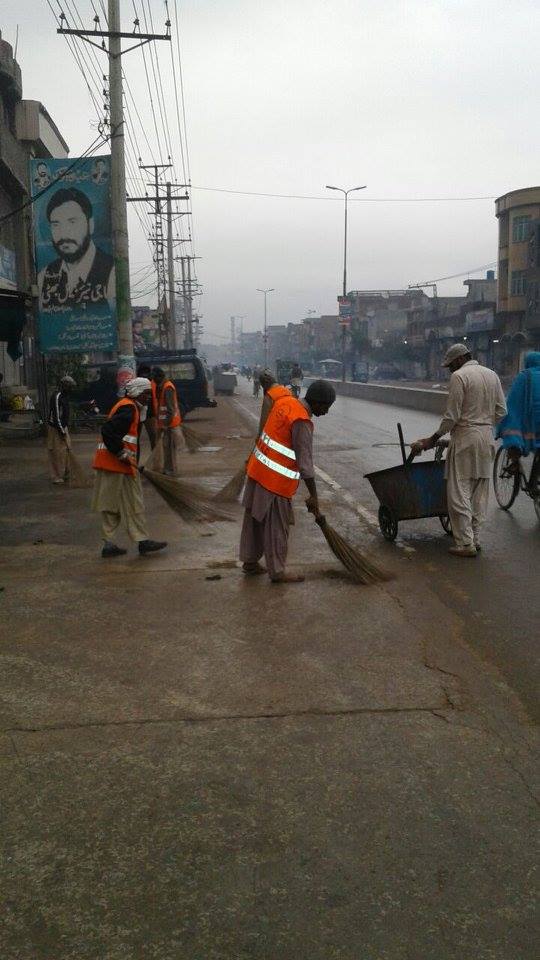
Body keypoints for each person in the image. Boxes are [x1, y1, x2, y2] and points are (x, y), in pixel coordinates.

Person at [411, 344, 507, 557]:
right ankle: (475, 538)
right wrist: (484, 424)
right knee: (479, 490)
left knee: (459, 491)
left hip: (465, 437)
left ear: (458, 360)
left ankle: (465, 543)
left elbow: (452, 416)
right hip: (486, 437)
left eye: (450, 366)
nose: (450, 371)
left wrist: (432, 439)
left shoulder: (460, 377)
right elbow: (502, 410)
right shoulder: (492, 375)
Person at [240, 379, 336, 582]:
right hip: (275, 482)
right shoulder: (302, 420)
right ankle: (278, 572)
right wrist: (314, 496)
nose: (326, 413)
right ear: (318, 402)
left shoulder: (287, 403)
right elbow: (306, 464)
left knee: (254, 521)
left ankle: (249, 562)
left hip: (257, 471)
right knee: (277, 528)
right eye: (326, 407)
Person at [91, 377, 167, 558]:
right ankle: (109, 545)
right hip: (112, 464)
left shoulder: (131, 407)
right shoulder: (128, 408)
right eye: (147, 395)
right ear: (138, 394)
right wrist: (120, 452)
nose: (149, 398)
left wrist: (127, 456)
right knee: (111, 505)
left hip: (124, 466)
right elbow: (108, 431)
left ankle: (142, 540)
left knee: (135, 502)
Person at [38, 187, 115, 311]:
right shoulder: (44, 277)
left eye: (72, 222)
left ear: (90, 225)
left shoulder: (111, 274)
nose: (64, 234)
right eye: (56, 225)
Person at [496, 352, 540, 471]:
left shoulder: (524, 376)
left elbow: (513, 402)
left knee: (512, 429)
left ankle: (515, 462)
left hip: (532, 421)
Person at [153, 367, 184, 475]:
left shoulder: (168, 388)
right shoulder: (162, 386)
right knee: (166, 448)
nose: (153, 380)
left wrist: (166, 425)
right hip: (165, 424)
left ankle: (171, 470)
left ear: (159, 377)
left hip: (170, 425)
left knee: (170, 449)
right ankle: (168, 469)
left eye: (154, 378)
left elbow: (170, 410)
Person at [47, 375, 76, 484]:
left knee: (67, 449)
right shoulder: (57, 396)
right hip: (55, 428)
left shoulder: (65, 396)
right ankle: (57, 476)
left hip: (63, 427)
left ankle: (66, 472)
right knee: (56, 452)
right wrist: (61, 431)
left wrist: (64, 429)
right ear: (64, 386)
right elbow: (56, 416)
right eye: (69, 387)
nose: (71, 389)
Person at [257, 369, 291, 436]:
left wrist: (259, 436)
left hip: (277, 432)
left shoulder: (269, 396)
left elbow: (264, 421)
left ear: (265, 384)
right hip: (290, 429)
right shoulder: (288, 391)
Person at [136, 362, 157, 449]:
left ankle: (155, 459)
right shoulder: (136, 383)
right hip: (140, 414)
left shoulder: (153, 383)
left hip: (148, 414)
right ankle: (156, 460)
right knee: (153, 438)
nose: (145, 375)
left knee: (154, 438)